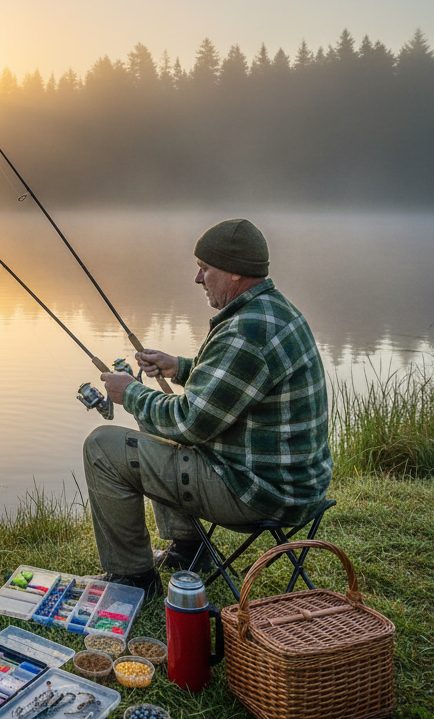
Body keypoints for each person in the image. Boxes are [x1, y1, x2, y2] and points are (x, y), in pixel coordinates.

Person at [82, 218, 332, 600]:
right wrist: (180, 367)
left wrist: (129, 392)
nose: (198, 279)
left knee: (103, 446)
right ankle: (190, 551)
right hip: (294, 484)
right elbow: (229, 387)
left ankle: (133, 579)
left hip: (260, 492)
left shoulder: (247, 332)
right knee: (156, 426)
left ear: (234, 272)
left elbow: (187, 423)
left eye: (205, 268)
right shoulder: (273, 311)